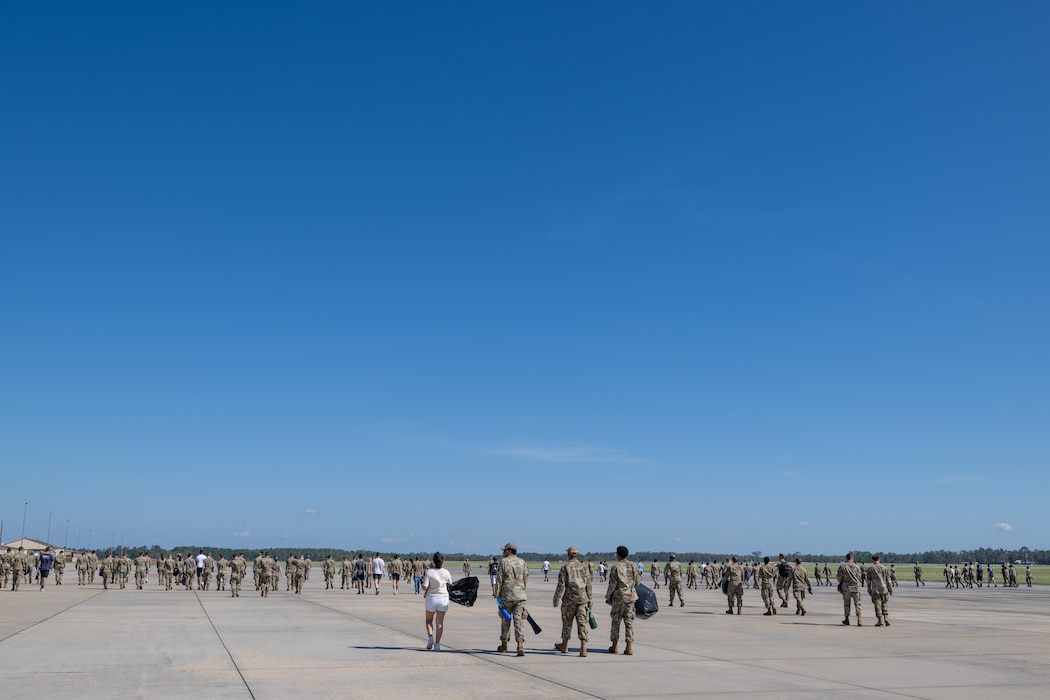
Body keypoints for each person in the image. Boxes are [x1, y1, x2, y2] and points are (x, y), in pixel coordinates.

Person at [553, 546, 592, 657]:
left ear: (569, 555)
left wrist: (556, 599)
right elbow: (588, 584)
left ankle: (564, 645)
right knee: (582, 623)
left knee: (567, 623)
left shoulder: (565, 567)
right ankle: (583, 648)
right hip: (582, 598)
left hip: (569, 599)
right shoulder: (584, 567)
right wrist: (590, 600)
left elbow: (561, 585)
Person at [495, 542, 529, 657]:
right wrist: (522, 589)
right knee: (519, 621)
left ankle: (504, 645)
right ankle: (520, 645)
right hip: (520, 595)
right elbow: (525, 577)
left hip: (507, 595)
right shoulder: (522, 562)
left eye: (504, 550)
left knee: (505, 620)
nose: (503, 552)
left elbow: (499, 579)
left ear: (509, 551)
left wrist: (497, 594)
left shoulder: (503, 562)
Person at [606, 545, 641, 655]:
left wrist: (608, 596)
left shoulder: (616, 567)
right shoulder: (633, 566)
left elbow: (612, 584)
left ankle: (615, 646)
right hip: (630, 598)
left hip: (618, 598)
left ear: (618, 555)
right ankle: (629, 647)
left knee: (616, 622)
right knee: (629, 622)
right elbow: (638, 581)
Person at [423, 552, 453, 651]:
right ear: (442, 562)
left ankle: (430, 637)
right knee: (439, 622)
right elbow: (450, 584)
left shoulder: (429, 572)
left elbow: (425, 587)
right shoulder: (446, 572)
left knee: (428, 620)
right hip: (443, 598)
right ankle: (437, 644)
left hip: (431, 598)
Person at [837, 552, 864, 626]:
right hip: (855, 587)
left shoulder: (842, 566)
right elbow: (859, 577)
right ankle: (859, 619)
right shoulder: (857, 567)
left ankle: (847, 618)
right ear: (852, 558)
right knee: (858, 603)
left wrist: (842, 582)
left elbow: (839, 577)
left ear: (846, 558)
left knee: (846, 604)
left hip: (846, 588)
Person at [866, 554, 891, 626]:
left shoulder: (870, 568)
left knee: (877, 604)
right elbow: (888, 580)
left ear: (873, 560)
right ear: (879, 560)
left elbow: (868, 580)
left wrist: (869, 589)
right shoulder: (884, 568)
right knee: (884, 604)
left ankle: (880, 620)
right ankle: (886, 618)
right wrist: (890, 589)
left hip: (875, 589)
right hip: (884, 588)